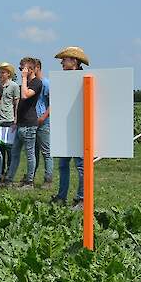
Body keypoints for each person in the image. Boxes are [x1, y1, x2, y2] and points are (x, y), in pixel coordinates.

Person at [51, 47, 89, 207]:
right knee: (63, 165)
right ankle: (61, 196)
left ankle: (81, 198)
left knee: (81, 166)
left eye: (64, 59)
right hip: (64, 129)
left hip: (80, 129)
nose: (61, 62)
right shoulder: (62, 80)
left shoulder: (85, 79)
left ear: (74, 60)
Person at [1, 57, 44, 189]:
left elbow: (25, 95)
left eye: (23, 68)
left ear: (30, 69)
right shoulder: (23, 84)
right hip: (20, 124)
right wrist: (15, 121)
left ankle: (29, 182)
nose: (21, 71)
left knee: (30, 154)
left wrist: (24, 78)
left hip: (30, 124)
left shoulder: (37, 83)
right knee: (14, 153)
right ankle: (9, 180)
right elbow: (19, 102)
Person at [32, 58, 53, 187]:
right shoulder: (31, 84)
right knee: (33, 152)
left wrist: (43, 117)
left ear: (38, 67)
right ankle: (31, 177)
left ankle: (48, 179)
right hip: (32, 121)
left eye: (31, 68)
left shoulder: (46, 83)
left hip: (43, 122)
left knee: (46, 151)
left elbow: (52, 102)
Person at [0, 62, 19, 176]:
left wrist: (16, 120)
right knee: (0, 148)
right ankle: (0, 170)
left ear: (9, 74)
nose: (0, 74)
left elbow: (16, 103)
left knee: (9, 148)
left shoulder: (14, 86)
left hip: (9, 119)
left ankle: (10, 171)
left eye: (3, 72)